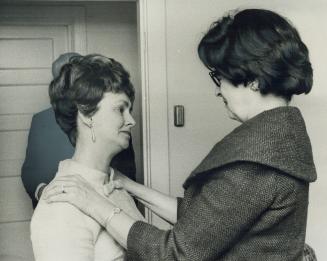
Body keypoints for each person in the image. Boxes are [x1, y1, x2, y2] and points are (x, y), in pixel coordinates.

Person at [43, 9, 317, 260]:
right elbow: (208, 223)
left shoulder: (257, 161)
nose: (218, 90)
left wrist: (96, 205)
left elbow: (178, 252)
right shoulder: (280, 140)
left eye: (219, 76)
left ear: (254, 80)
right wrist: (130, 186)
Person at [30, 54, 144, 261]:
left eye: (130, 110)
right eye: (120, 109)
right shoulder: (61, 205)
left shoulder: (117, 189)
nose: (131, 121)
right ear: (86, 115)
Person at [21, 53, 137, 208]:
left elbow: (127, 168)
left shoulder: (116, 118)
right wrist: (44, 192)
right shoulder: (40, 120)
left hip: (110, 201)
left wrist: (127, 198)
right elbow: (30, 171)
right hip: (59, 205)